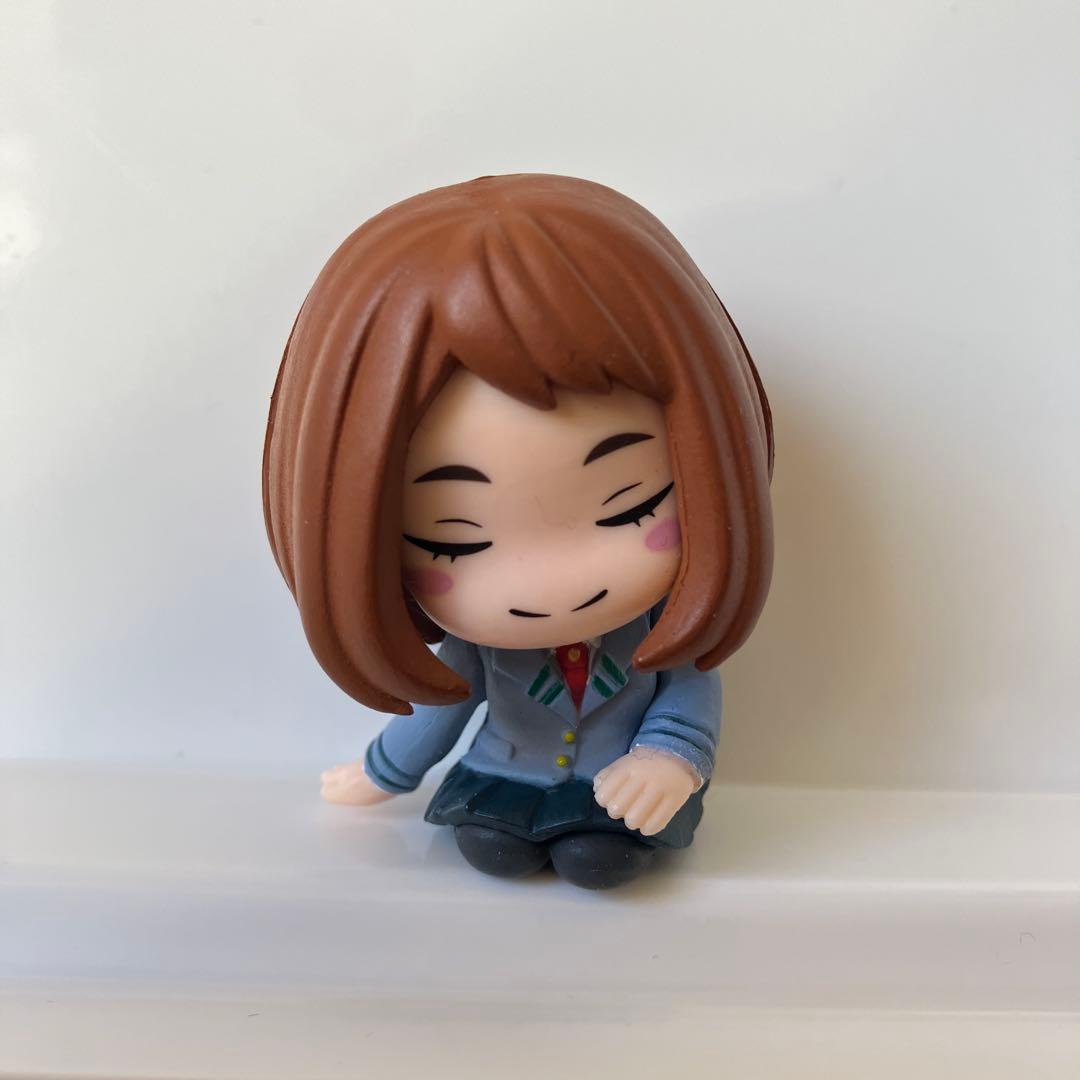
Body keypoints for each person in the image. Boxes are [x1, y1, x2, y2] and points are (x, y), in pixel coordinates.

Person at [263, 174, 774, 888]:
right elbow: (440, 708)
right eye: (454, 541)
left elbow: (690, 695)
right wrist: (382, 772)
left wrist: (667, 761)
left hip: (617, 783)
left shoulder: (657, 632)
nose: (551, 585)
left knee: (600, 856)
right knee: (492, 848)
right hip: (504, 774)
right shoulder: (477, 648)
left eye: (631, 508)